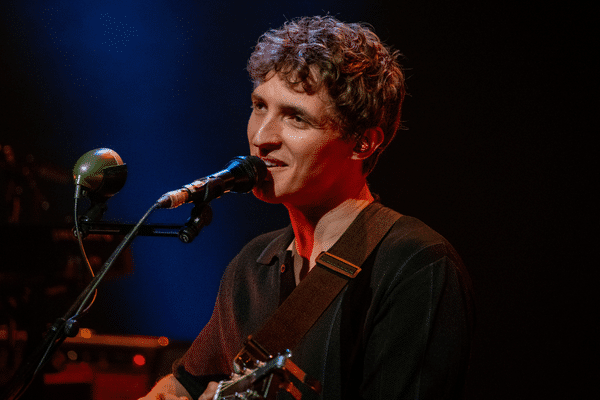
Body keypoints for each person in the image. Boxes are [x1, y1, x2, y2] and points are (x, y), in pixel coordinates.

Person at [141, 15, 474, 400]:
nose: (262, 137)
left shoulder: (416, 264)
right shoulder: (252, 265)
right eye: (260, 106)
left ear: (362, 143)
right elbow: (186, 384)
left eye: (296, 117)